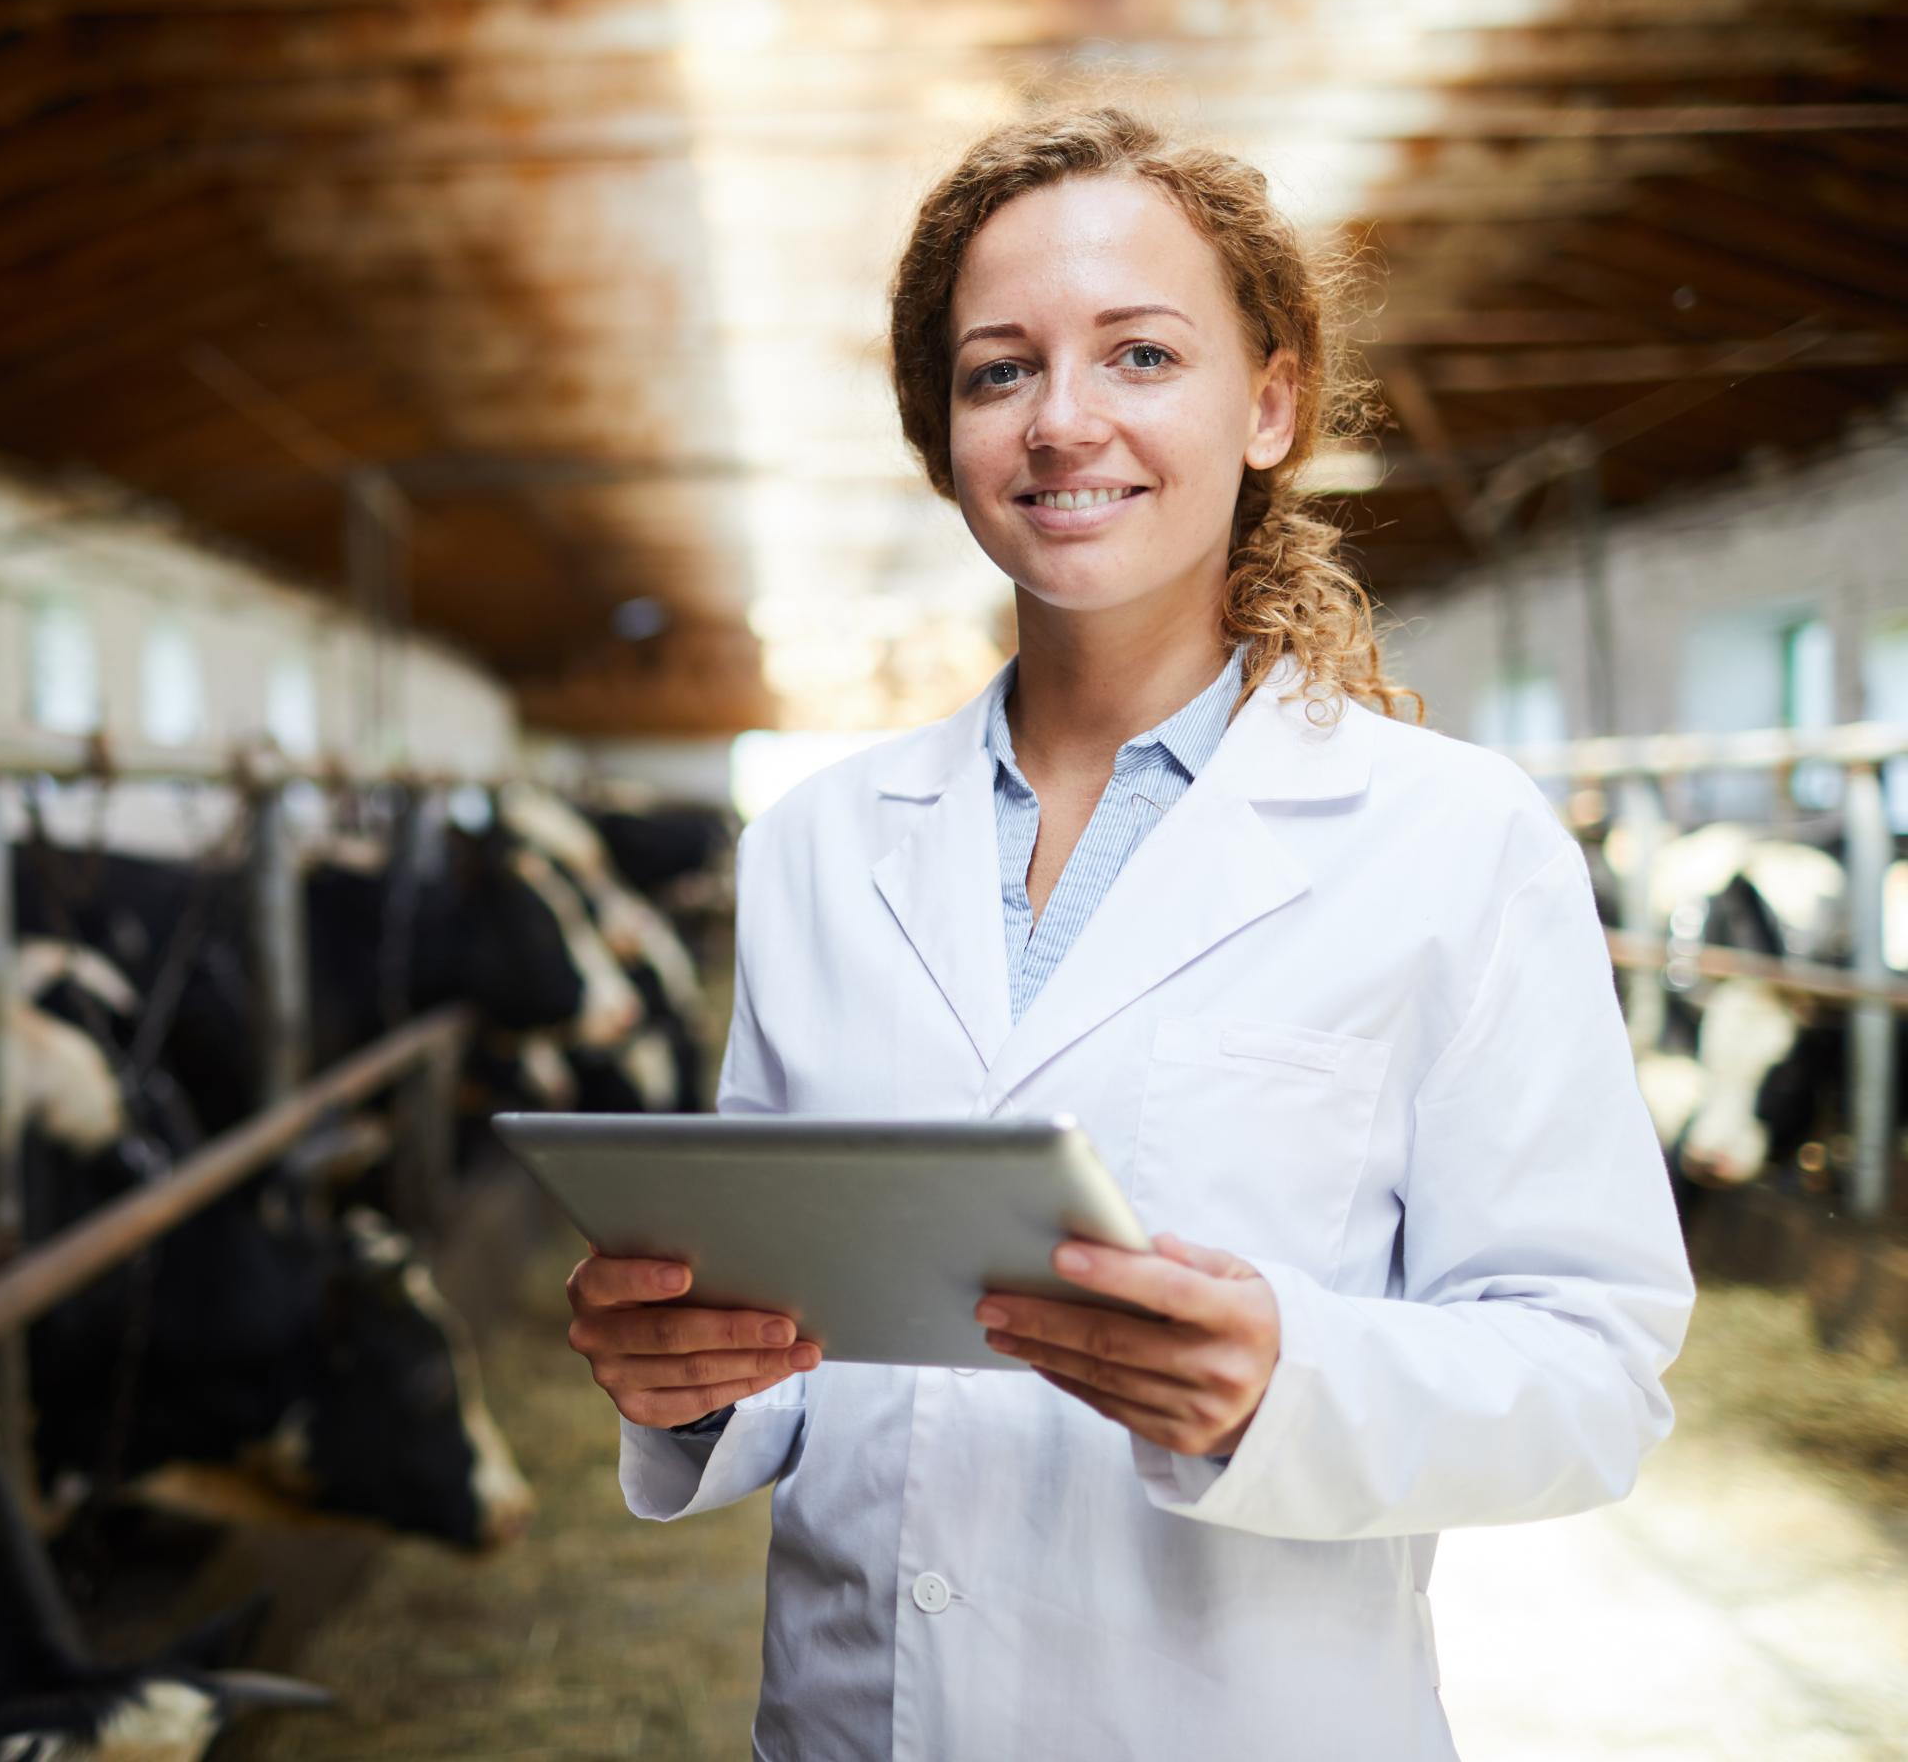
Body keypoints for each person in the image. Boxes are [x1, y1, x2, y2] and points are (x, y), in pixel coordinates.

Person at [563, 105, 1695, 1761]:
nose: (1063, 420)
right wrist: (697, 1364)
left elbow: (1594, 1377)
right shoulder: (819, 845)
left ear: (1274, 401)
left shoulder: (1454, 843)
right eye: (998, 370)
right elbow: (801, 1310)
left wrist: (1288, 1383)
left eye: (1143, 355)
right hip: (850, 1719)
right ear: (940, 432)